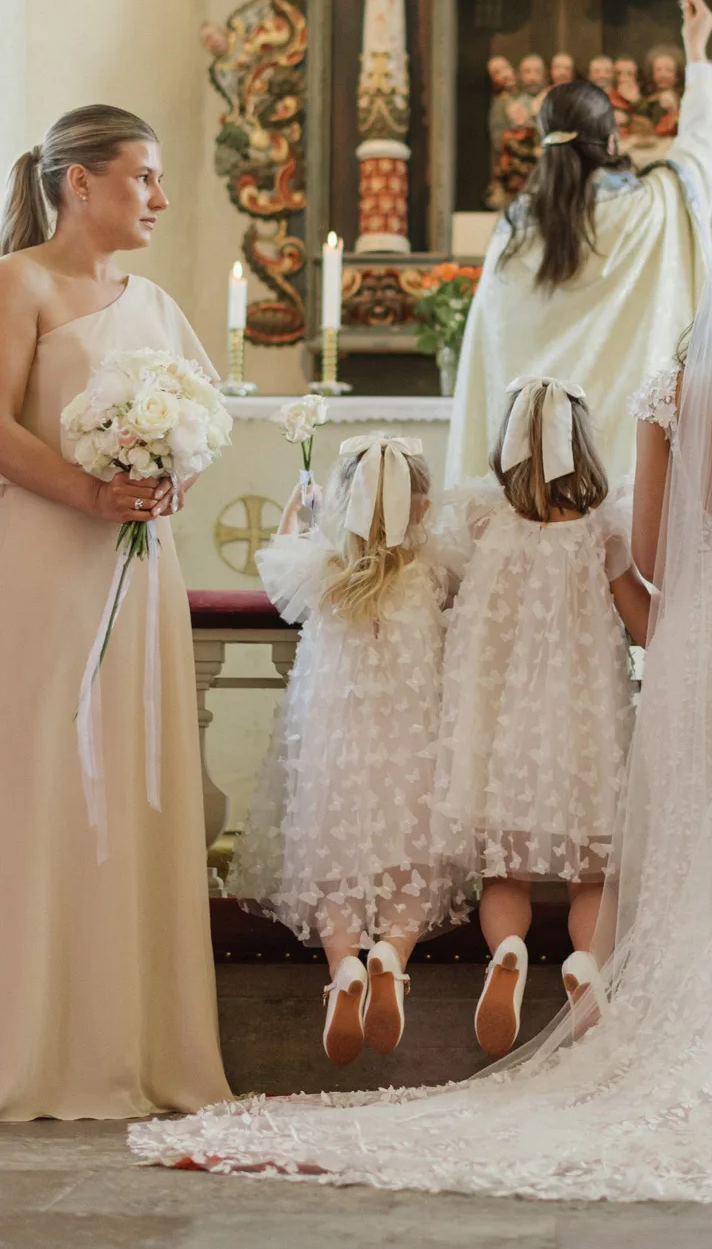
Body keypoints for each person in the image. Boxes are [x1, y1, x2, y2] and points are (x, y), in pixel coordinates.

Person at [132, 200, 712, 1192]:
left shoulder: (675, 394)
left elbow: (657, 556)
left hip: (698, 652)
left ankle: (678, 1014)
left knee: (691, 840)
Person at [0, 107, 230, 1119]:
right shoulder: (20, 284)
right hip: (48, 563)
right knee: (46, 783)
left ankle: (138, 1042)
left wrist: (166, 474)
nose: (160, 198)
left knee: (139, 786)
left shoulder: (160, 302)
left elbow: (202, 421)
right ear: (80, 184)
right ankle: (38, 1043)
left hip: (141, 572)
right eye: (144, 177)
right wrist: (89, 491)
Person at [228, 436, 472, 1068]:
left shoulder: (323, 566)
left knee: (334, 859)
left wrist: (296, 508)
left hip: (335, 749)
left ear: (344, 499)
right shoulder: (435, 565)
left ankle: (345, 973)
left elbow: (274, 562)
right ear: (421, 506)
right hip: (415, 746)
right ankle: (391, 955)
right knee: (410, 857)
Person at [445, 0, 712, 484]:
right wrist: (695, 49)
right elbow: (711, 139)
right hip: (629, 477)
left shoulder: (514, 233)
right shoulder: (654, 206)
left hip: (532, 484)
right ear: (611, 141)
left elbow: (492, 358)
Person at [432, 377, 649, 1057]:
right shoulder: (604, 526)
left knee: (505, 871)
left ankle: (510, 955)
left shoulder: (480, 518)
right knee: (592, 872)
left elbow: (443, 597)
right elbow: (642, 623)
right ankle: (586, 968)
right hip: (584, 723)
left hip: (501, 727)